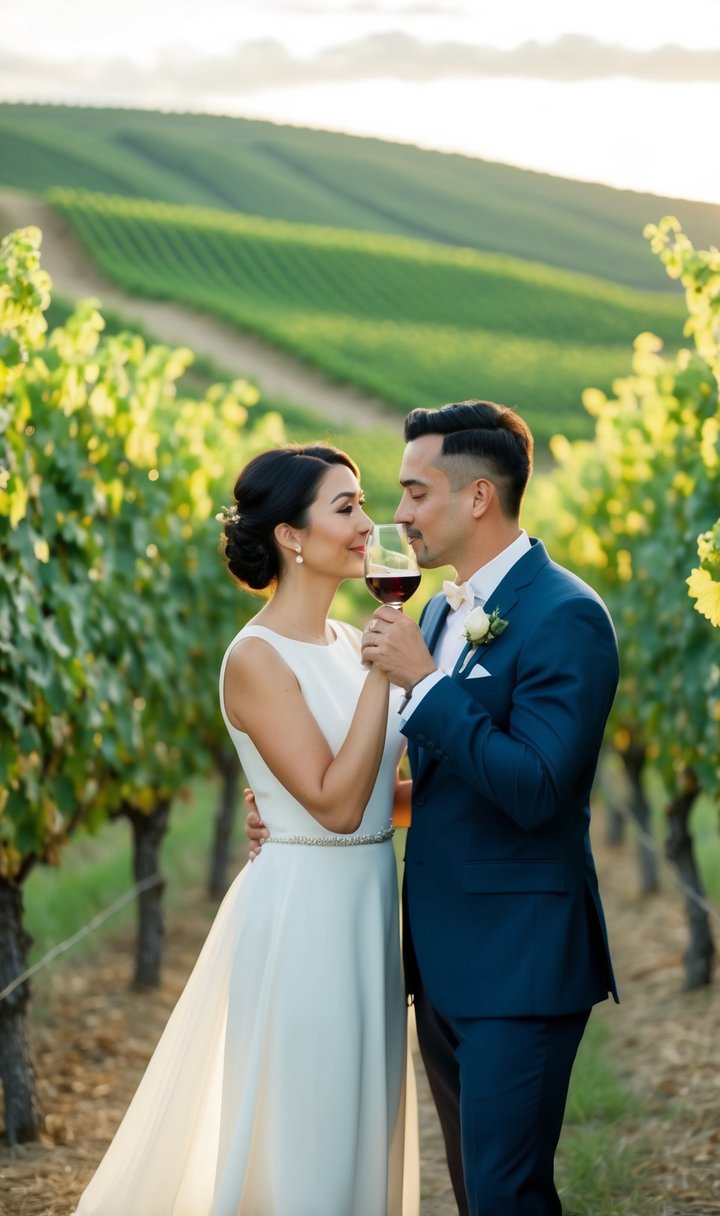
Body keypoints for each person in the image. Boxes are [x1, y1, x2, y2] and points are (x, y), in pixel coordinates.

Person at [248, 401, 619, 1216]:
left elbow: (536, 790)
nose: (398, 515)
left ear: (477, 497)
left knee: (506, 1194)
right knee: (473, 1192)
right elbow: (457, 786)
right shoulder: (438, 612)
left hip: (519, 967)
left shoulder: (566, 616)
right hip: (438, 967)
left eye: (414, 494)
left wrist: (425, 684)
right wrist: (298, 812)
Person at [75, 443, 418, 1216]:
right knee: (309, 1135)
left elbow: (371, 804)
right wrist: (382, 669)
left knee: (360, 1123)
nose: (369, 524)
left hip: (367, 907)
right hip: (305, 918)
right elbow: (332, 806)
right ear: (292, 538)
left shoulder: (339, 641)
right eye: (346, 507)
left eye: (363, 504)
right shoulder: (256, 658)